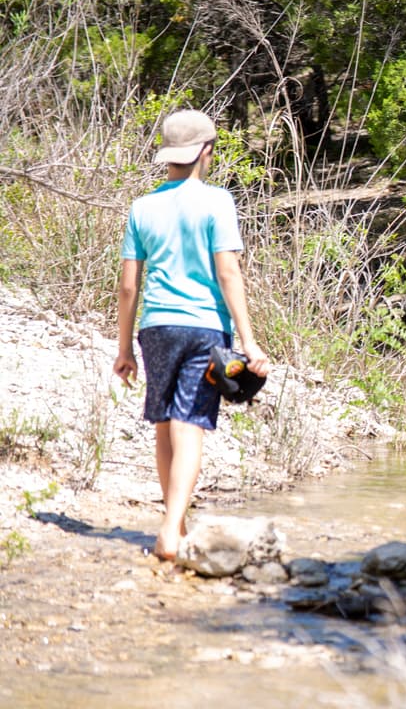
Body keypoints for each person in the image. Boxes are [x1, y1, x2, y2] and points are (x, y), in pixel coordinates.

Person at [113, 109, 269, 561]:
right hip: (204, 328)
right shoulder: (218, 201)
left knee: (164, 424)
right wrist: (249, 339)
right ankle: (169, 533)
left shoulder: (142, 207)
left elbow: (128, 287)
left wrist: (124, 349)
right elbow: (228, 272)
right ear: (204, 150)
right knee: (190, 425)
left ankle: (176, 524)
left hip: (156, 328)